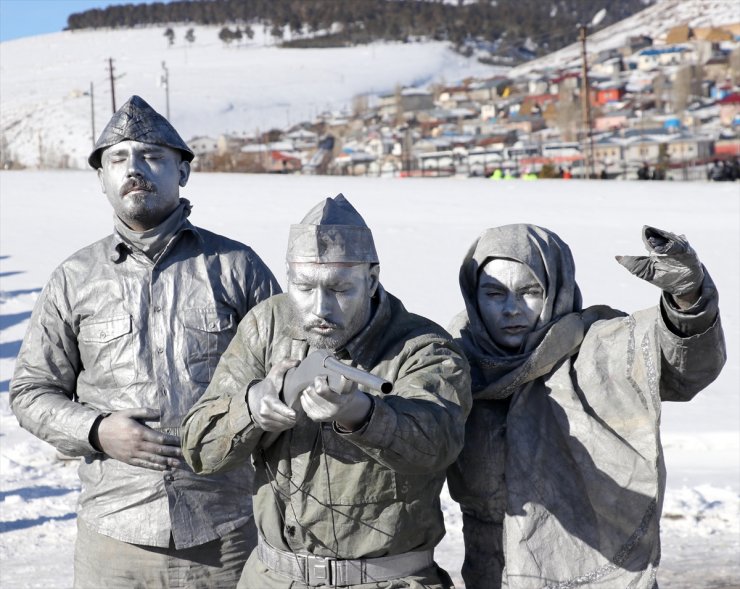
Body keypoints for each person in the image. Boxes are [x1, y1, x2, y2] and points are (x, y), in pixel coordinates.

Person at [10, 95, 281, 588]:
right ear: (101, 180)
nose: (133, 168)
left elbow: (286, 376)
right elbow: (31, 392)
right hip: (113, 542)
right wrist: (96, 430)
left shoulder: (237, 268)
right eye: (117, 159)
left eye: (152, 156)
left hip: (228, 534)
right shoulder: (74, 279)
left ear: (183, 171)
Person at [181, 194, 472, 589]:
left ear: (371, 280)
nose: (320, 307)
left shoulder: (422, 346)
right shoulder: (266, 326)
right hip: (272, 578)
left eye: (339, 289)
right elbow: (199, 448)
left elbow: (438, 443)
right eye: (303, 287)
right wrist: (251, 408)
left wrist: (361, 414)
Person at [446, 224, 725, 589]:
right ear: (472, 294)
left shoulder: (602, 348)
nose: (511, 309)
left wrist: (689, 298)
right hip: (491, 575)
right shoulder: (454, 364)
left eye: (530, 291)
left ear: (556, 288)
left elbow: (685, 370)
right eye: (494, 293)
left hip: (603, 577)